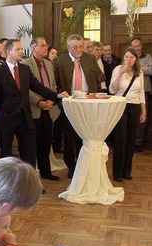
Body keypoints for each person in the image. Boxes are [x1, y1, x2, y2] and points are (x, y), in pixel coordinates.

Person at [52, 34, 104, 178]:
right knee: (69, 136)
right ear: (68, 47)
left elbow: (100, 76)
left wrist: (97, 92)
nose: (79, 49)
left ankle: (85, 163)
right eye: (75, 47)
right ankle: (71, 165)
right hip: (70, 104)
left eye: (81, 46)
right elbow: (54, 84)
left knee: (85, 134)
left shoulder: (90, 58)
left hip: (88, 103)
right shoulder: (59, 61)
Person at [21, 37, 64, 181]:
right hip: (34, 109)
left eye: (46, 45)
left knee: (46, 142)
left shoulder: (49, 64)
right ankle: (32, 176)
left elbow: (52, 85)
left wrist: (52, 99)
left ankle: (46, 172)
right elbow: (26, 89)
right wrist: (39, 102)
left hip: (49, 109)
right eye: (43, 46)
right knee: (32, 145)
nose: (46, 48)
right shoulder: (25, 64)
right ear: (34, 48)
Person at [109, 47, 147, 182]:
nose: (129, 60)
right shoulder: (118, 70)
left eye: (131, 57)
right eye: (126, 57)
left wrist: (144, 111)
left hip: (135, 107)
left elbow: (141, 92)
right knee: (120, 138)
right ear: (123, 58)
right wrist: (120, 74)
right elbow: (112, 90)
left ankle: (127, 171)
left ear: (136, 59)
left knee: (131, 139)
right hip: (121, 105)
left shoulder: (139, 73)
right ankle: (117, 173)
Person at [130, 37, 152, 150]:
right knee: (132, 117)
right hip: (131, 92)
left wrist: (138, 68)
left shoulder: (148, 57)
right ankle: (131, 140)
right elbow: (129, 69)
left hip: (144, 91)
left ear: (142, 46)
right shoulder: (129, 58)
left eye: (139, 45)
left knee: (143, 116)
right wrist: (143, 68)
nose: (137, 48)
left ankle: (139, 142)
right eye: (134, 46)